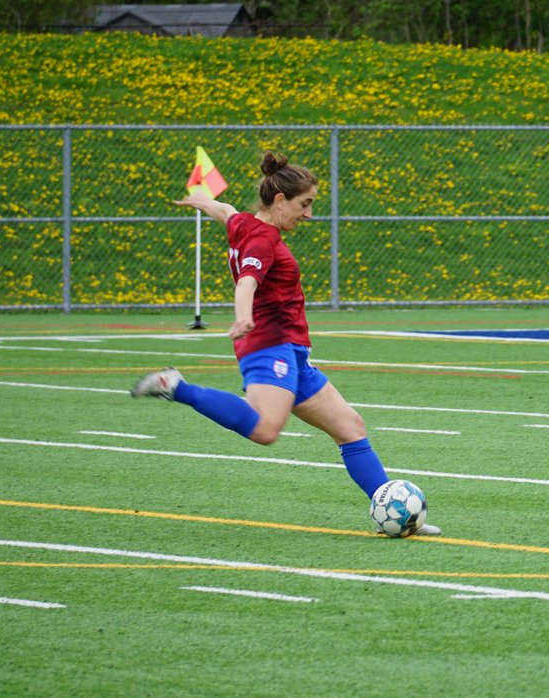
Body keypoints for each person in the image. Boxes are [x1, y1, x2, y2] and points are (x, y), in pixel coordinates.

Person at [131, 151, 439, 535]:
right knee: (264, 429)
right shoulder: (262, 240)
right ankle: (177, 387)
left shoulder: (245, 225)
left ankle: (394, 511)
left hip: (293, 351)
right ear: (280, 201)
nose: (309, 214)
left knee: (351, 428)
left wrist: (202, 201)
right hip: (268, 345)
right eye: (304, 204)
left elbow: (226, 211)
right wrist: (243, 316)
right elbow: (248, 280)